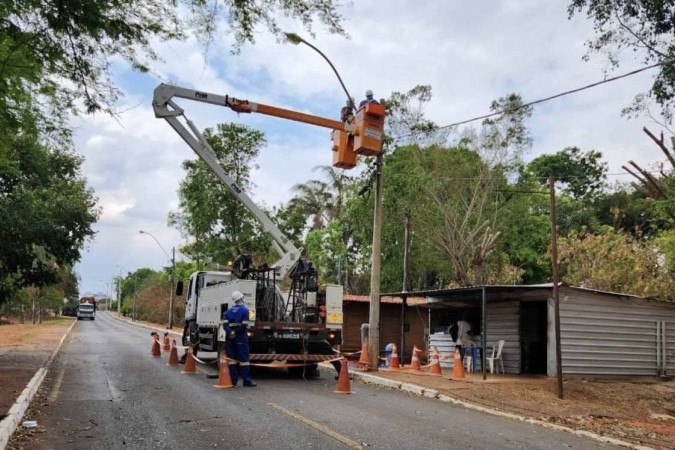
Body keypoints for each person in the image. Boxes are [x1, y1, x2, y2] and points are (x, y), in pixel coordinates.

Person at [223, 290, 256, 387]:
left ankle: (233, 381)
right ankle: (246, 381)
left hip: (230, 338)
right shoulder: (245, 311)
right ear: (241, 298)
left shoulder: (228, 311)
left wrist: (231, 332)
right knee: (244, 360)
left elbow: (225, 325)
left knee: (232, 359)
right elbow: (244, 326)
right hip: (241, 338)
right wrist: (236, 332)